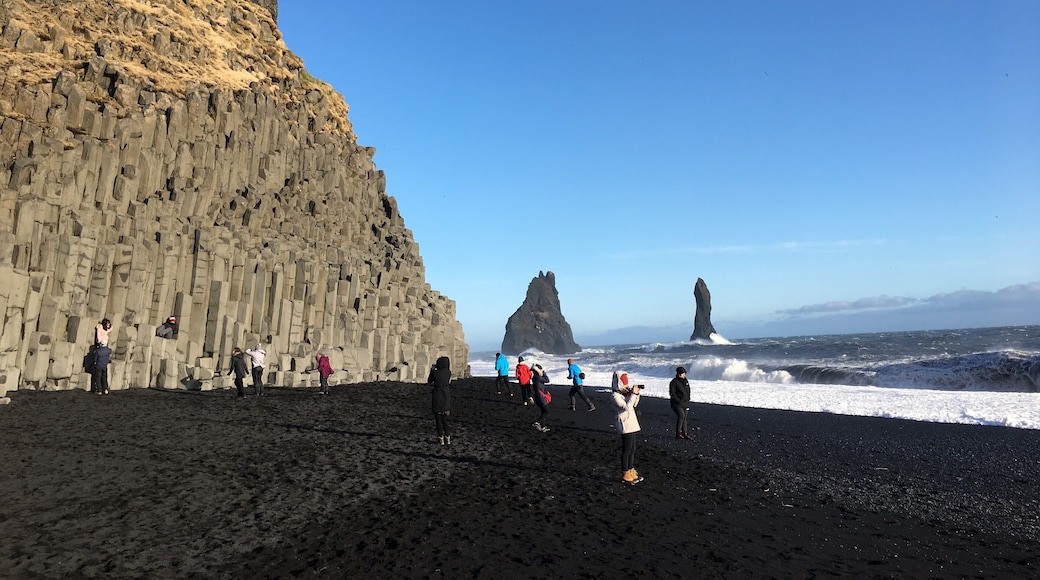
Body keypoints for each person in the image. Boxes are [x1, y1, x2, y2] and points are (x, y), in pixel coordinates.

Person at [612, 371, 643, 484]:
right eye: (624, 383)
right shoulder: (615, 396)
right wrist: (633, 395)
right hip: (625, 424)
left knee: (632, 449)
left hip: (632, 423)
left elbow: (634, 404)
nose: (626, 385)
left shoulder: (625, 394)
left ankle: (631, 470)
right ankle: (625, 472)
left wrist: (636, 394)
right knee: (627, 449)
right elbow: (627, 407)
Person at [427, 356, 452, 445]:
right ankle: (448, 437)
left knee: (438, 419)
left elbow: (429, 381)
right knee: (444, 419)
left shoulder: (435, 373)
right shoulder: (448, 372)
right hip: (446, 395)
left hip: (437, 395)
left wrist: (432, 370)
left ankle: (440, 438)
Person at [669, 366, 692, 440]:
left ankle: (685, 433)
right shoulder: (674, 382)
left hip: (685, 402)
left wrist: (688, 399)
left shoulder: (685, 381)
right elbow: (672, 394)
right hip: (677, 403)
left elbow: (688, 391)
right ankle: (678, 433)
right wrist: (678, 400)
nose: (684, 375)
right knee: (681, 416)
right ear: (679, 374)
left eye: (685, 373)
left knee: (685, 418)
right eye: (683, 373)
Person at [531, 364, 551, 432]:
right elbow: (547, 380)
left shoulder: (534, 377)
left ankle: (543, 426)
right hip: (541, 397)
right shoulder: (538, 378)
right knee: (547, 411)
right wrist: (544, 372)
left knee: (543, 411)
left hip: (538, 396)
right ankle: (537, 422)